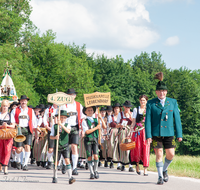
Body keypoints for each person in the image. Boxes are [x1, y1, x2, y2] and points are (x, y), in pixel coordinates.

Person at [145, 72, 183, 185]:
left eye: (164, 91)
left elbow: (177, 119)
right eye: (159, 91)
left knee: (171, 154)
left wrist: (179, 134)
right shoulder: (151, 103)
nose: (162, 93)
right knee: (159, 154)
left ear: (166, 92)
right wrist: (148, 135)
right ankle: (160, 177)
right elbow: (148, 120)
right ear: (156, 92)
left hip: (169, 133)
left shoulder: (173, 102)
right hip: (156, 133)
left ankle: (165, 169)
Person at [56, 88, 84, 175]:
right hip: (65, 127)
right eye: (69, 95)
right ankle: (65, 164)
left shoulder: (79, 105)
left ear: (75, 96)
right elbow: (57, 116)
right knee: (65, 147)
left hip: (75, 127)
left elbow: (82, 118)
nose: (71, 96)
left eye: (72, 95)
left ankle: (74, 167)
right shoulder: (63, 105)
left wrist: (82, 129)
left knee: (74, 147)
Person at [11, 95, 37, 171]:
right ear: (20, 101)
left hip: (28, 129)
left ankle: (25, 164)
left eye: (25, 101)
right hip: (19, 129)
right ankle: (19, 161)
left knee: (27, 147)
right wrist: (15, 125)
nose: (23, 102)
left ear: (27, 102)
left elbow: (34, 122)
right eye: (22, 101)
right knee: (19, 149)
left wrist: (36, 133)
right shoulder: (15, 110)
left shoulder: (31, 110)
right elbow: (12, 121)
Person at [50, 110, 75, 184]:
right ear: (58, 118)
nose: (62, 119)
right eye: (61, 117)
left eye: (64, 117)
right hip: (57, 145)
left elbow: (68, 131)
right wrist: (55, 137)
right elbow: (51, 136)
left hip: (65, 145)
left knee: (67, 160)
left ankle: (70, 177)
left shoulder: (67, 125)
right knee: (56, 162)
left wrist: (61, 125)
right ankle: (55, 176)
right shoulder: (54, 126)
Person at [82, 106, 107, 179]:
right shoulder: (84, 121)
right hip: (88, 140)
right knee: (89, 157)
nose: (90, 111)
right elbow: (86, 131)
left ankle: (96, 170)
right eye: (88, 110)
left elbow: (104, 127)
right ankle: (91, 172)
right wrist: (96, 128)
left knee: (96, 156)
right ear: (85, 112)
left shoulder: (96, 120)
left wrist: (101, 119)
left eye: (91, 110)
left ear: (93, 111)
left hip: (95, 140)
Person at [130, 95, 150, 176]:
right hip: (137, 131)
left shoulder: (148, 109)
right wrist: (131, 130)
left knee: (146, 149)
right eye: (141, 100)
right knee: (137, 149)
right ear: (139, 101)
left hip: (145, 131)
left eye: (144, 100)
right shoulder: (136, 109)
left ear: (146, 101)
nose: (142, 102)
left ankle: (145, 169)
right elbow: (134, 121)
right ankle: (137, 165)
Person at [116, 100, 134, 172]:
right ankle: (123, 164)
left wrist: (130, 115)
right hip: (122, 131)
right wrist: (120, 125)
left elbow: (134, 123)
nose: (127, 109)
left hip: (129, 131)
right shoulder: (120, 114)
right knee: (123, 148)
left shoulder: (132, 114)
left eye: (129, 107)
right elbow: (116, 125)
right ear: (123, 107)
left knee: (130, 148)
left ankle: (130, 165)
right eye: (126, 107)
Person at [0, 100, 15, 174]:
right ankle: (0, 165)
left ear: (8, 106)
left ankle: (6, 166)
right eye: (4, 106)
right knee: (0, 151)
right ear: (1, 106)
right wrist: (1, 126)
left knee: (7, 150)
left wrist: (7, 126)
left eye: (6, 106)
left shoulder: (10, 115)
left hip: (8, 135)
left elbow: (13, 125)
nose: (5, 107)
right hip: (0, 134)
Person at [107, 103, 122, 169]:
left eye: (117, 108)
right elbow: (108, 125)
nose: (116, 109)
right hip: (113, 132)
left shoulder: (121, 116)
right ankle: (112, 161)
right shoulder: (111, 116)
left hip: (119, 132)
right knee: (112, 146)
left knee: (118, 146)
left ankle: (119, 163)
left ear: (119, 109)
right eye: (115, 108)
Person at [43, 103, 58, 169]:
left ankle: (58, 163)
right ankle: (49, 161)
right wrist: (47, 126)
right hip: (51, 129)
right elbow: (45, 119)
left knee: (59, 147)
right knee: (51, 148)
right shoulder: (48, 110)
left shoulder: (61, 108)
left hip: (59, 130)